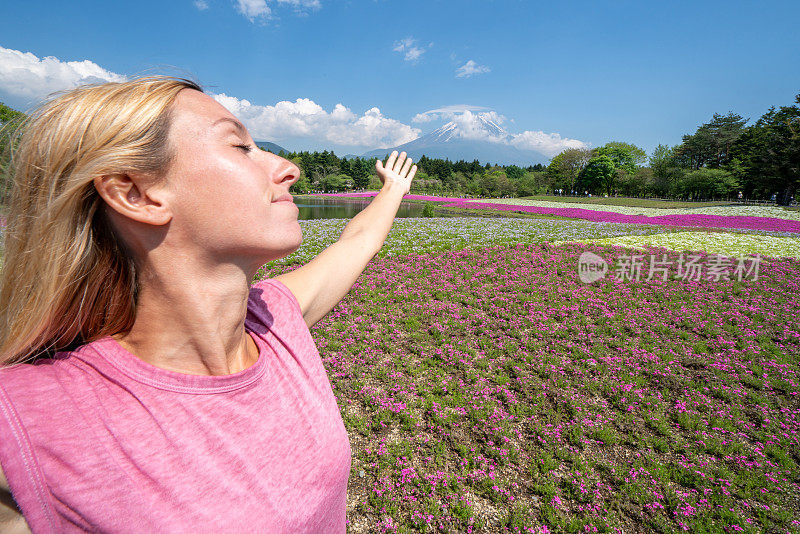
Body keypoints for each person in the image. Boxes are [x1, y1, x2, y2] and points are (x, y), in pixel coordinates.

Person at [0, 76, 417, 532]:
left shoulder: (274, 319)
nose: (290, 168)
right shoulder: (26, 418)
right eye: (240, 147)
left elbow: (358, 242)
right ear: (135, 193)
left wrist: (393, 188)